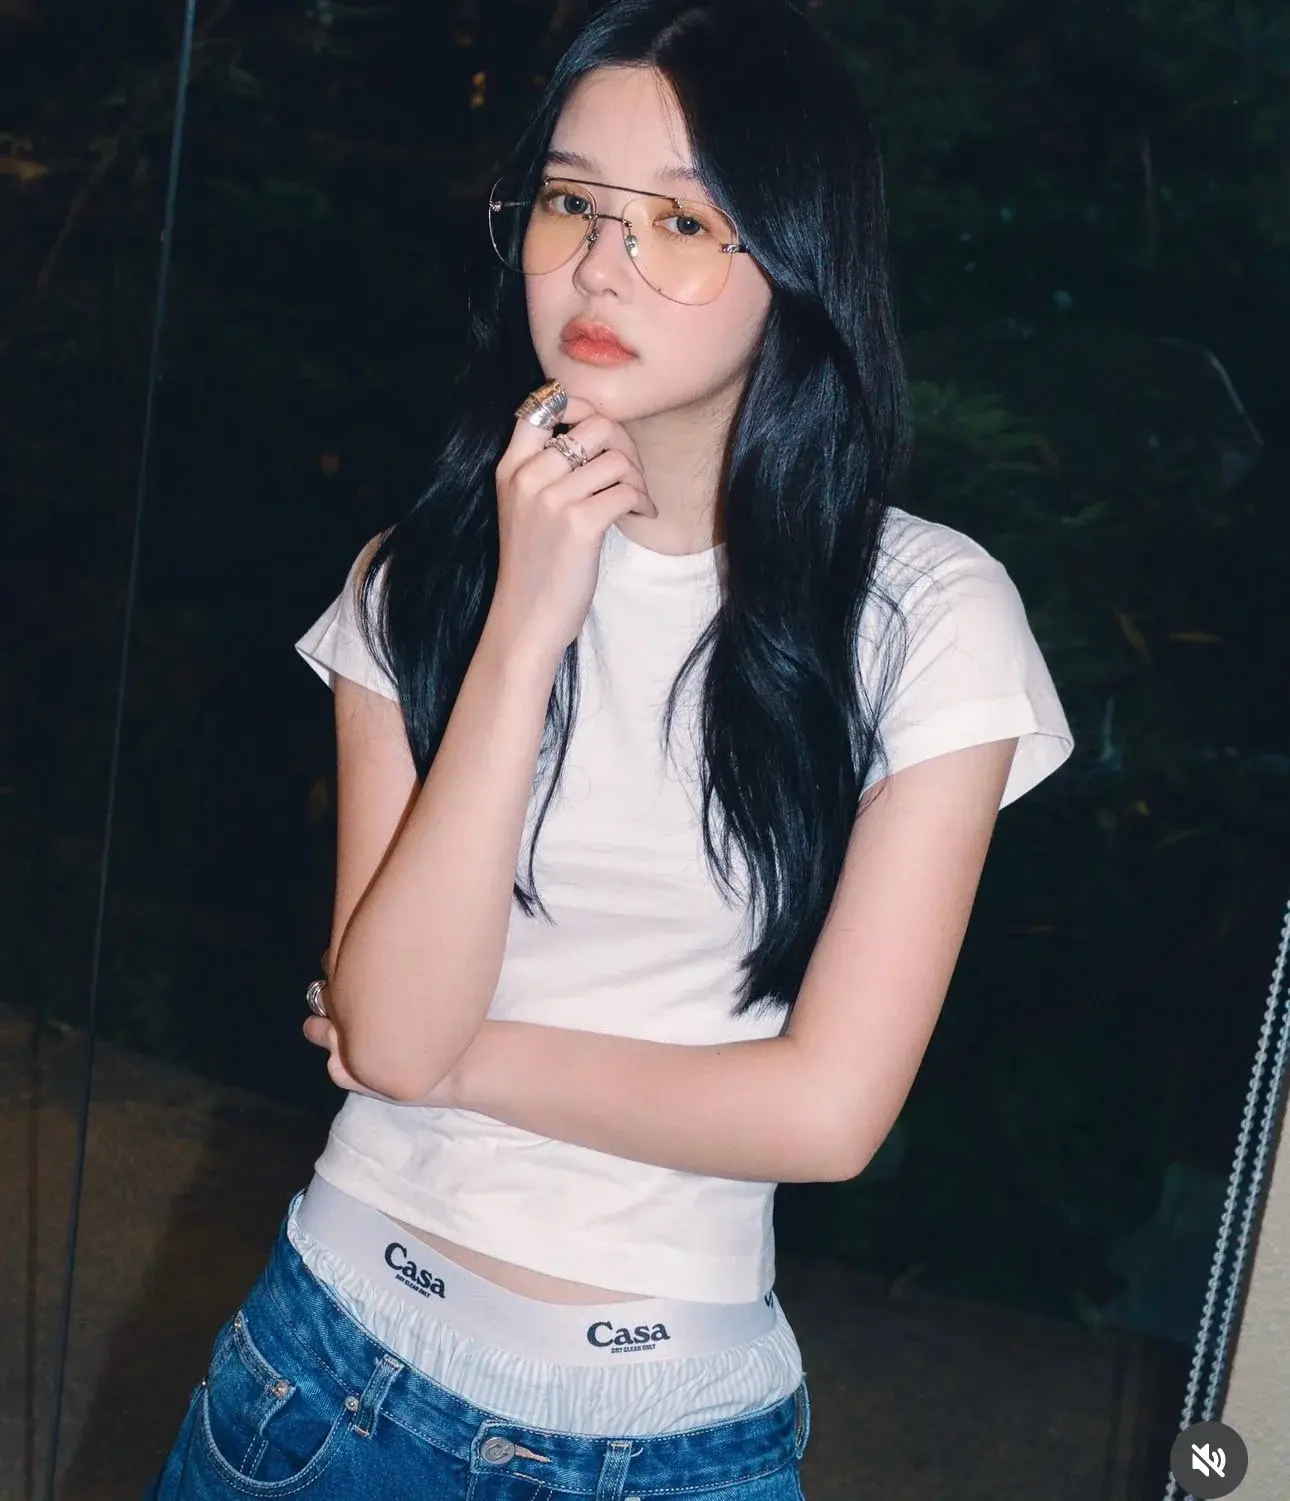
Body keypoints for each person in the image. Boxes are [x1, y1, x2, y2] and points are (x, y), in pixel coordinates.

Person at [146, 0, 1074, 1496]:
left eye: (680, 223)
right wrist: (526, 628)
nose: (598, 264)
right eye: (572, 203)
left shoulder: (922, 613)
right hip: (322, 1384)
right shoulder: (419, 581)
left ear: (796, 262)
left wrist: (458, 1061)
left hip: (667, 1434)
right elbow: (390, 1033)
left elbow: (825, 1114)